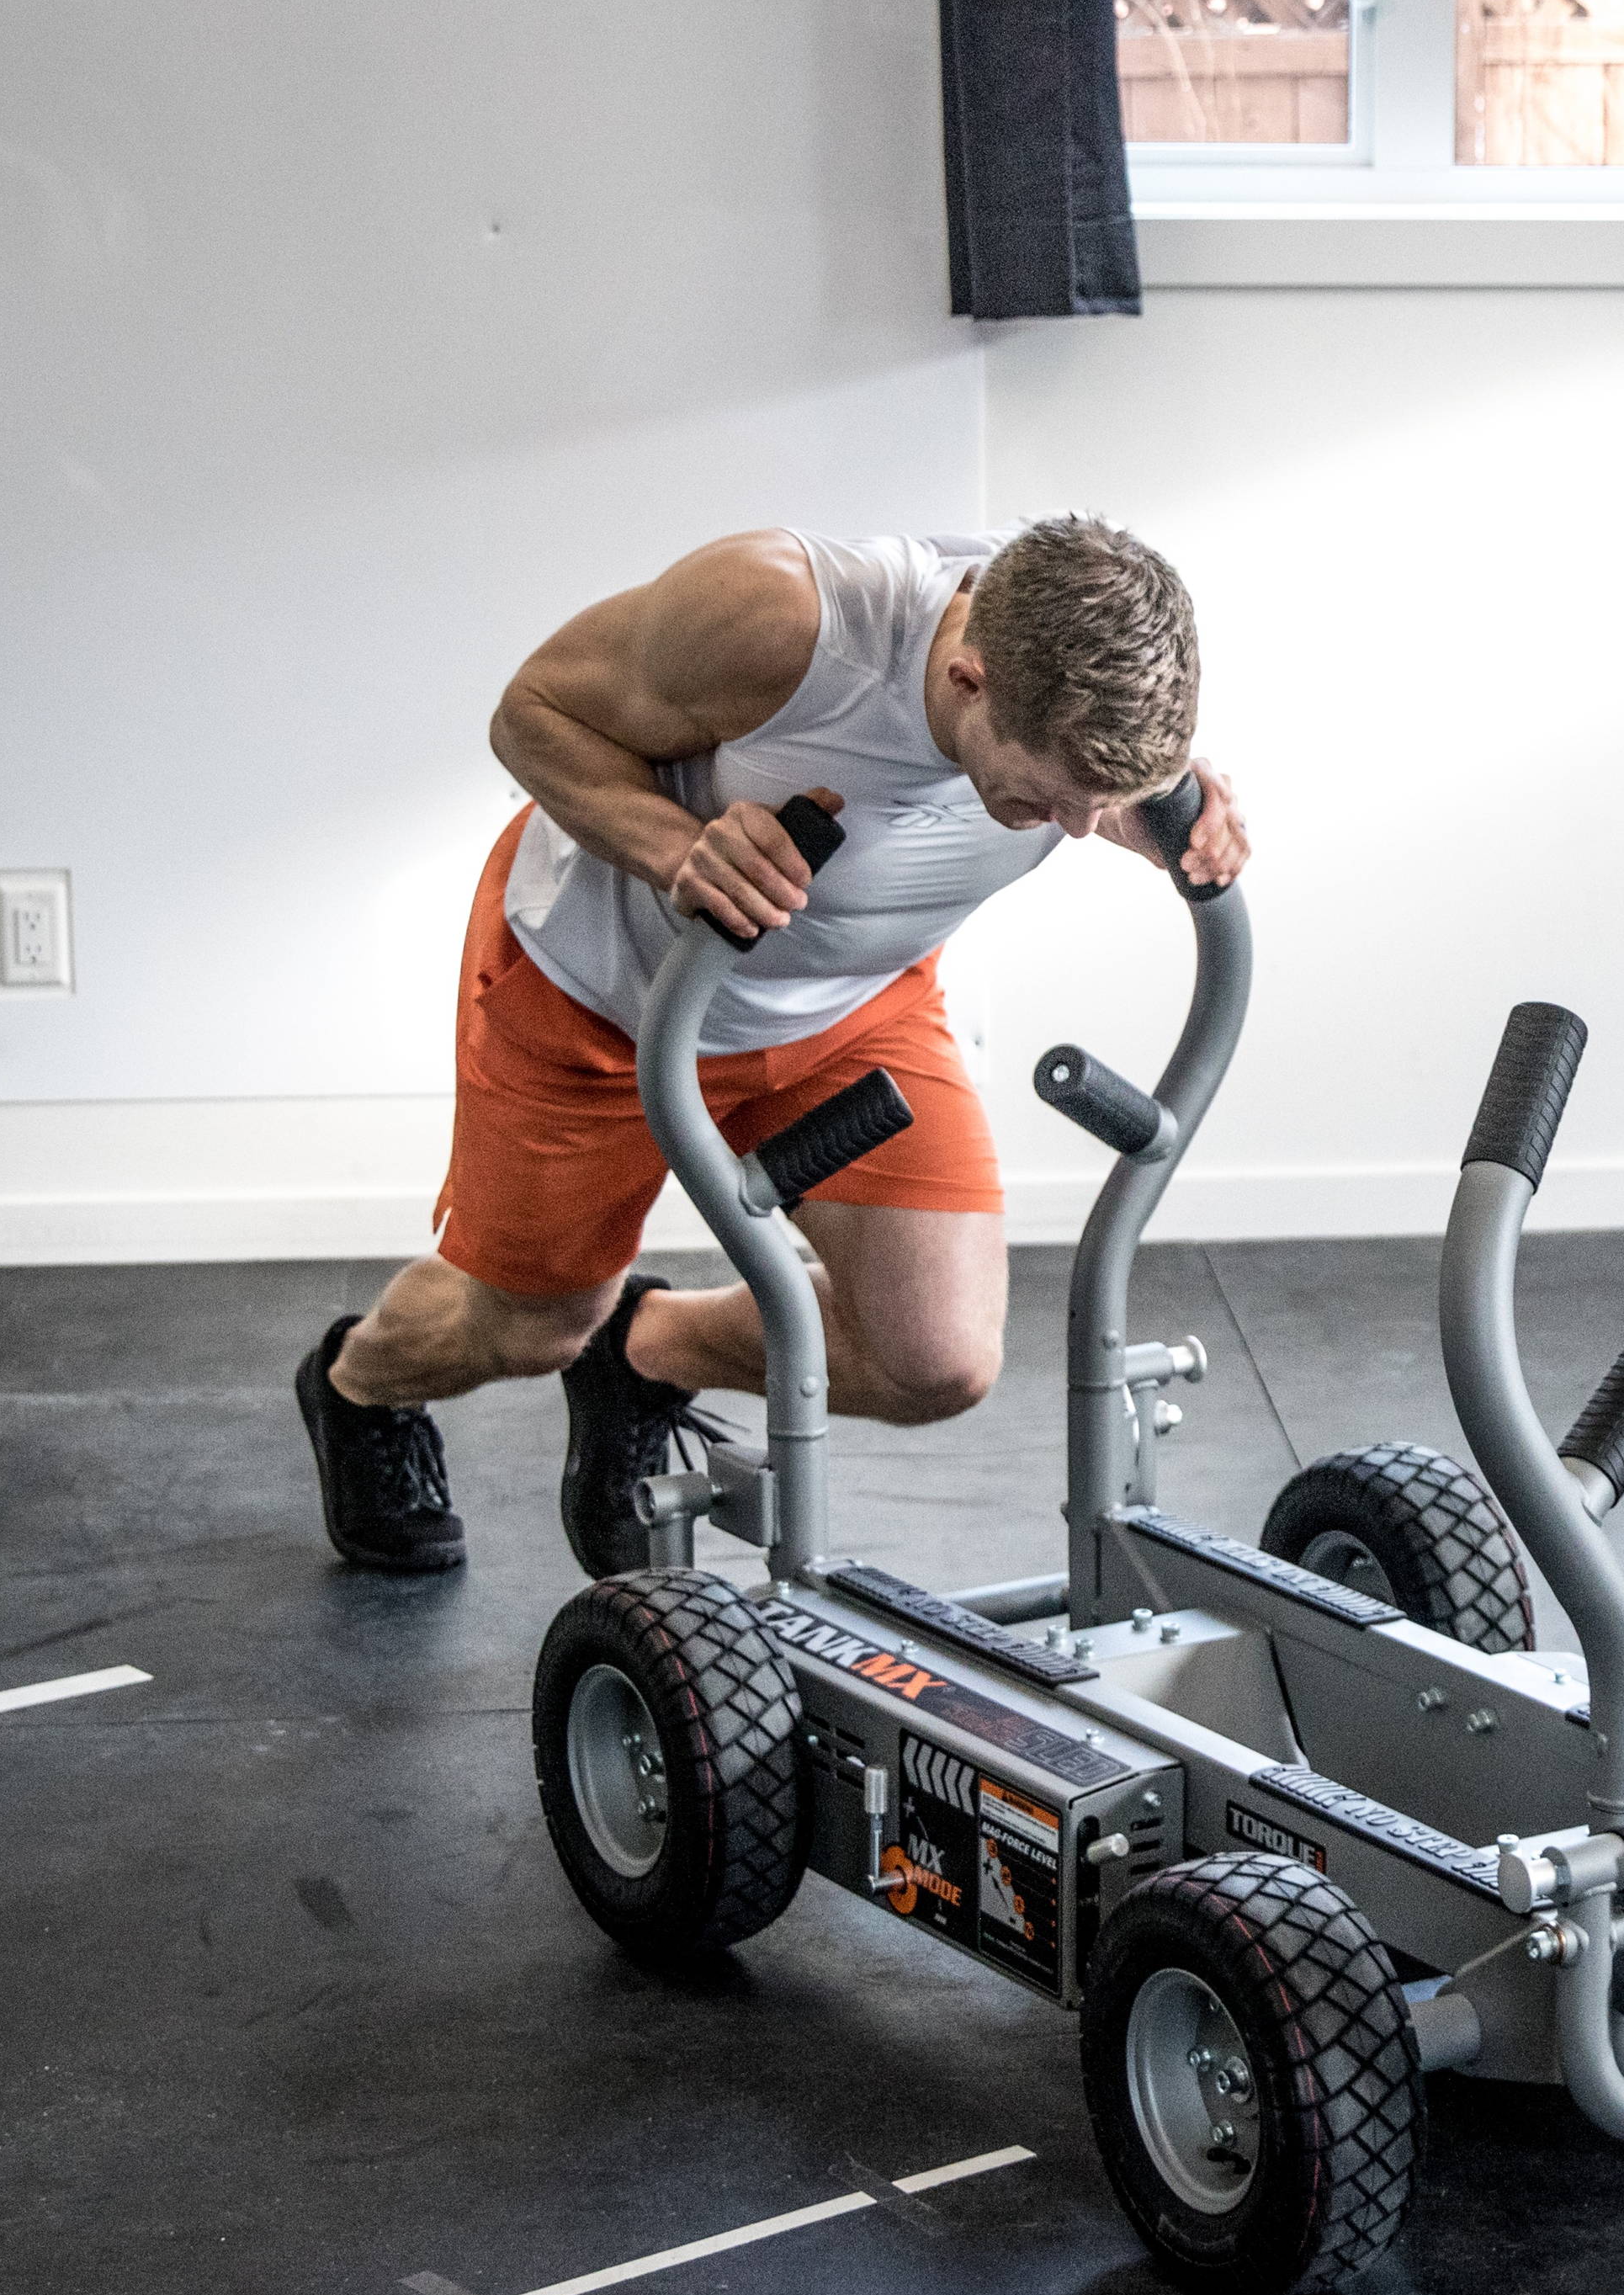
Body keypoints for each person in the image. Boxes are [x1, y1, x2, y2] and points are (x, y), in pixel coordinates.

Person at [295, 516, 1248, 1576]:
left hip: (850, 1012)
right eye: (1047, 799)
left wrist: (1154, 815)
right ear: (970, 679)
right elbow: (532, 713)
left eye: (1099, 803)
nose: (1074, 830)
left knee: (935, 1360)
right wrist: (679, 847)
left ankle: (643, 1355)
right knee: (531, 1329)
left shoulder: (1090, 674)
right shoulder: (787, 620)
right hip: (605, 998)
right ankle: (359, 1383)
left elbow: (1092, 789)